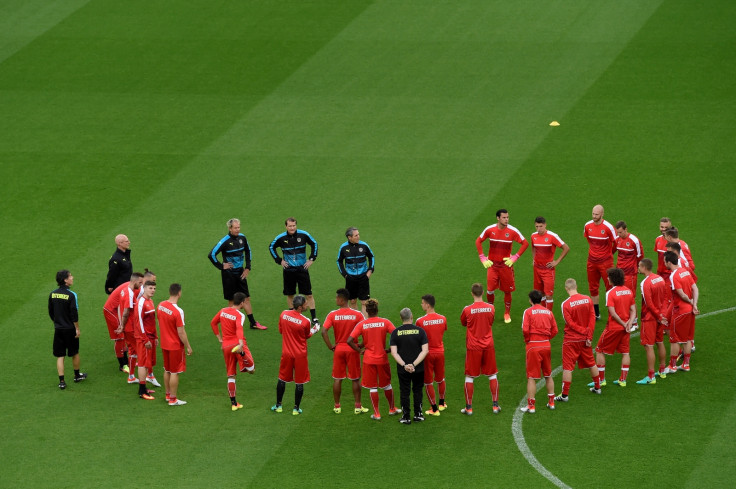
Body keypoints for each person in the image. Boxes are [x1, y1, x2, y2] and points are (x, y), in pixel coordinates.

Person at [209, 218, 266, 330]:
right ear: (230, 228)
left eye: (239, 227)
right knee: (231, 300)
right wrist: (221, 266)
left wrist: (247, 267)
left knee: (246, 298)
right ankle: (230, 325)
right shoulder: (224, 241)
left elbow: (248, 251)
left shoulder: (242, 238)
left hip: (240, 273)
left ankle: (253, 323)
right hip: (229, 275)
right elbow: (211, 254)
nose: (237, 230)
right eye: (235, 228)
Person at [347, 298, 399, 420]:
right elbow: (397, 335)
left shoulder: (362, 324)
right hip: (382, 359)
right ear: (376, 310)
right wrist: (390, 349)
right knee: (387, 385)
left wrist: (360, 350)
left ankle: (377, 414)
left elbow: (349, 340)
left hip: (368, 360)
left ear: (367, 310)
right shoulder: (385, 322)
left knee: (372, 387)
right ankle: (392, 409)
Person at [475, 208, 529, 323]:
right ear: (498, 218)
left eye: (507, 217)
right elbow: (478, 241)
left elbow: (525, 243)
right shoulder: (490, 229)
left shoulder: (513, 231)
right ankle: (491, 312)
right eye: (504, 217)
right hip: (492, 266)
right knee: (490, 290)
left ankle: (507, 313)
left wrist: (515, 257)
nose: (506, 220)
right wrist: (482, 257)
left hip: (506, 266)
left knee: (507, 291)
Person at [320, 288, 368, 414]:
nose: (335, 299)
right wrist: (360, 346)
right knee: (355, 378)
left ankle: (337, 406)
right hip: (352, 349)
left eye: (337, 298)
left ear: (342, 300)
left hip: (339, 349)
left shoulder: (332, 314)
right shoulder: (357, 314)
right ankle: (357, 406)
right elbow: (366, 330)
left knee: (337, 378)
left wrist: (331, 346)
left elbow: (323, 331)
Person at [272, 295, 319, 415]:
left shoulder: (283, 314)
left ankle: (278, 406)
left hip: (286, 353)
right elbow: (307, 335)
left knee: (282, 378)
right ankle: (296, 409)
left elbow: (281, 330)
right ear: (299, 307)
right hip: (300, 355)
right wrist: (315, 329)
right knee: (299, 381)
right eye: (305, 304)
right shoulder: (305, 321)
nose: (307, 305)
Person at [555, 278, 601, 401]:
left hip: (571, 339)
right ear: (576, 286)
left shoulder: (565, 304)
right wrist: (588, 336)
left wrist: (583, 332)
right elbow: (592, 319)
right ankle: (598, 387)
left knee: (568, 367)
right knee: (591, 362)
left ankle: (564, 395)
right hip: (585, 339)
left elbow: (570, 323)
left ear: (566, 288)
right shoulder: (588, 299)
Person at [459, 283, 501, 415]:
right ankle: (495, 406)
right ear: (482, 293)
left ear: (472, 293)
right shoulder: (491, 308)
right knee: (492, 374)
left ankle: (469, 408)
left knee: (469, 376)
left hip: (473, 347)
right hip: (488, 345)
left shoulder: (467, 309)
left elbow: (463, 323)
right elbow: (490, 322)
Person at [269, 217, 319, 325]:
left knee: (308, 294)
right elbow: (271, 247)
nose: (292, 228)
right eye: (290, 226)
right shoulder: (281, 238)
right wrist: (279, 260)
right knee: (290, 294)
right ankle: (292, 316)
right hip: (289, 270)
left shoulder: (303, 235)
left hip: (302, 268)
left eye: (294, 225)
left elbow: (314, 243)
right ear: (286, 226)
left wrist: (311, 259)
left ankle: (314, 318)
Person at [211, 292, 255, 411]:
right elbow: (239, 328)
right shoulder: (240, 315)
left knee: (231, 375)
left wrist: (219, 339)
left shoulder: (223, 311)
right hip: (237, 344)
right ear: (242, 303)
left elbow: (213, 323)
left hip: (226, 346)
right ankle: (242, 353)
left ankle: (234, 403)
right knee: (251, 370)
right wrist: (240, 343)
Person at [593, 268, 636, 387]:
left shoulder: (610, 293)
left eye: (608, 277)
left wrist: (623, 324)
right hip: (626, 328)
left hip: (613, 327)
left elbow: (613, 313)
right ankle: (623, 380)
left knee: (599, 350)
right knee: (625, 353)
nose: (607, 279)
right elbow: (633, 310)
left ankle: (601, 380)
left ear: (613, 279)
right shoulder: (628, 291)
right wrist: (629, 323)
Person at [520, 290, 558, 413]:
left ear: (530, 300)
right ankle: (551, 403)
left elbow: (525, 329)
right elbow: (555, 330)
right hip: (546, 345)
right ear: (541, 299)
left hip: (533, 345)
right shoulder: (548, 312)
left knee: (531, 377)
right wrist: (546, 339)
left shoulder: (528, 312)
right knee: (548, 374)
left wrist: (528, 341)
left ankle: (531, 406)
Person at [390, 308, 429, 424]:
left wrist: (404, 365)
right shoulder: (420, 331)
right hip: (418, 368)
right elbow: (425, 350)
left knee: (404, 391)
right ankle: (418, 415)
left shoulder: (395, 332)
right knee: (417, 390)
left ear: (401, 318)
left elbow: (394, 352)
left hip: (403, 369)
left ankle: (406, 417)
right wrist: (414, 364)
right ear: (411, 316)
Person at [49, 270, 86, 389]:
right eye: (70, 276)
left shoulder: (52, 294)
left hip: (58, 329)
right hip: (70, 329)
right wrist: (77, 329)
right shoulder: (71, 295)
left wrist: (57, 322)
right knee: (74, 352)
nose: (72, 277)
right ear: (65, 280)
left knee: (60, 355)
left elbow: (51, 312)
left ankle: (62, 381)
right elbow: (74, 314)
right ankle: (77, 376)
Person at [663, 251, 699, 373]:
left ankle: (672, 366)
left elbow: (681, 294)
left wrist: (689, 301)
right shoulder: (685, 271)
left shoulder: (673, 275)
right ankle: (686, 365)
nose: (664, 263)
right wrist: (694, 304)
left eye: (664, 261)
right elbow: (695, 288)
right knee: (688, 338)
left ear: (669, 262)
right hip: (690, 311)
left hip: (680, 310)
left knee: (675, 339)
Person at [158, 283, 193, 406]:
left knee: (166, 369)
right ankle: (173, 399)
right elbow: (181, 332)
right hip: (175, 346)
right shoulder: (178, 311)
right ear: (179, 293)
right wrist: (188, 346)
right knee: (174, 372)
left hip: (164, 343)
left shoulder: (161, 305)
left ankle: (167, 395)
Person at [636, 259, 669, 384]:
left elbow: (649, 304)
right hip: (660, 316)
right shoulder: (660, 279)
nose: (638, 268)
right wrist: (662, 314)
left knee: (648, 346)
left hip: (649, 318)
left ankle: (651, 376)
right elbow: (666, 297)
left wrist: (658, 316)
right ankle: (662, 370)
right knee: (660, 342)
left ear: (644, 267)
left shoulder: (645, 283)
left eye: (639, 266)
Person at [416, 294, 448, 416]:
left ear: (428, 305)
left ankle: (434, 409)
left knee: (428, 381)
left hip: (428, 354)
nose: (421, 304)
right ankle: (442, 403)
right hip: (440, 352)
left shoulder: (420, 321)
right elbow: (443, 331)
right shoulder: (443, 318)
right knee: (441, 379)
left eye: (423, 303)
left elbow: (418, 338)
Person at [583, 205, 617, 319]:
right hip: (591, 262)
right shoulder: (587, 226)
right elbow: (589, 240)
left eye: (596, 214)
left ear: (602, 214)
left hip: (606, 263)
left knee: (610, 286)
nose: (594, 216)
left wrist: (608, 254)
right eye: (593, 214)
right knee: (593, 287)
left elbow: (616, 243)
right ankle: (596, 313)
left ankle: (612, 313)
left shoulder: (609, 227)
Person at [529, 216, 570, 311]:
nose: (538, 229)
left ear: (545, 225)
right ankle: (542, 312)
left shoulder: (552, 236)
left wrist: (557, 261)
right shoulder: (533, 236)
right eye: (536, 226)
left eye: (540, 226)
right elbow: (533, 247)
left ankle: (549, 315)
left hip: (548, 270)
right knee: (539, 293)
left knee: (548, 295)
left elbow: (566, 248)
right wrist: (534, 258)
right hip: (537, 269)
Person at [336, 227, 375, 316]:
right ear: (349, 237)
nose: (358, 237)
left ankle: (363, 323)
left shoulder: (364, 245)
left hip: (363, 277)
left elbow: (371, 257)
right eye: (356, 235)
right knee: (352, 301)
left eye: (358, 234)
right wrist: (345, 275)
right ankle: (356, 322)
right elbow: (339, 261)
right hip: (350, 278)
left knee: (364, 302)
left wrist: (370, 271)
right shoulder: (343, 247)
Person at [133, 280, 158, 400]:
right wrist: (145, 339)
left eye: (154, 288)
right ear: (144, 288)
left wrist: (156, 336)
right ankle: (142, 391)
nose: (152, 290)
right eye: (150, 288)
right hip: (144, 339)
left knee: (147, 363)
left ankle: (144, 388)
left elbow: (152, 321)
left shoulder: (150, 301)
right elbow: (139, 322)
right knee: (142, 363)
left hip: (150, 337)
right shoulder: (141, 303)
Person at [119, 272, 144, 384]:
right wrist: (122, 326)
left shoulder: (124, 289)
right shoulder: (129, 293)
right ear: (134, 281)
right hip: (131, 328)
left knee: (132, 352)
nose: (141, 284)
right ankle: (146, 378)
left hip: (127, 328)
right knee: (142, 352)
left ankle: (131, 376)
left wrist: (121, 326)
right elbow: (126, 311)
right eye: (140, 282)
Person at [102, 278, 131, 373]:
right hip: (111, 311)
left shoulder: (132, 285)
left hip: (116, 310)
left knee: (123, 336)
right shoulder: (133, 288)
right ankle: (122, 365)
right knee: (119, 337)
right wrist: (121, 323)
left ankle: (126, 361)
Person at [614, 221, 643, 295]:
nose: (619, 235)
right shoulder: (617, 239)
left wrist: (639, 267)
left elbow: (640, 256)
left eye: (620, 232)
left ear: (625, 229)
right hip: (619, 273)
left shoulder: (634, 240)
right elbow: (611, 251)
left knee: (630, 297)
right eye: (618, 233)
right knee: (620, 296)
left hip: (630, 274)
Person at [654, 217, 672, 283]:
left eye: (666, 227)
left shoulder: (674, 242)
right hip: (659, 273)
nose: (663, 229)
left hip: (670, 274)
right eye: (662, 227)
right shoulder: (657, 239)